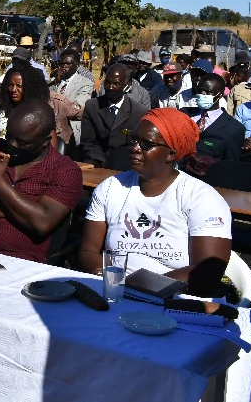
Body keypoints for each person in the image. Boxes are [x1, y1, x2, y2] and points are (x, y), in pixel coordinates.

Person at [79, 109, 232, 294]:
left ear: (170, 154)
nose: (135, 148)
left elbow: (208, 270)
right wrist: (112, 280)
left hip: (175, 297)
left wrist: (143, 286)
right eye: (133, 140)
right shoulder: (111, 188)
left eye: (146, 144)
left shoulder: (201, 198)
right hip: (113, 291)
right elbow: (88, 250)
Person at [0, 100, 82, 263]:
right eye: (9, 135)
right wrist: (22, 210)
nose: (12, 144)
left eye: (22, 142)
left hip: (21, 262)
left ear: (46, 141)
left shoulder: (65, 171)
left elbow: (42, 222)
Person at [79, 64, 149, 169]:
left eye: (116, 84)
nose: (110, 88)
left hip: (124, 165)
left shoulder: (139, 112)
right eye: (107, 82)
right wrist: (101, 163)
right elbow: (88, 142)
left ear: (127, 86)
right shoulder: (92, 106)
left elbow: (137, 146)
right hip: (96, 162)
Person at [179, 73, 245, 169]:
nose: (202, 95)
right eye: (200, 90)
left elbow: (230, 166)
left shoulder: (233, 128)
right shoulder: (184, 114)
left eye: (207, 92)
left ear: (220, 95)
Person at [0, 65, 48, 141]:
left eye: (19, 85)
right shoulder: (0, 110)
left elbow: (51, 149)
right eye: (11, 85)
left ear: (28, 87)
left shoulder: (39, 114)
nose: (14, 89)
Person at [51, 49, 95, 143]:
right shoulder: (56, 81)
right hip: (53, 127)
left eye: (68, 64)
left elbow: (79, 108)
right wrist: (55, 82)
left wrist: (57, 105)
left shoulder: (85, 83)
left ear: (77, 65)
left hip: (71, 129)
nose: (64, 66)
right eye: (62, 63)